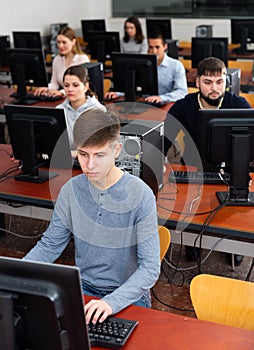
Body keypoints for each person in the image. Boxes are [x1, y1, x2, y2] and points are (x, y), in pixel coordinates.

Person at [23, 109, 161, 324]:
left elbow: (150, 269)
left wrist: (110, 302)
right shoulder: (71, 190)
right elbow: (50, 246)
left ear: (117, 150)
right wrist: (15, 275)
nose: (89, 165)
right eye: (83, 154)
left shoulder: (141, 195)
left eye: (99, 155)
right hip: (82, 288)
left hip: (127, 294)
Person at [164, 56, 251, 264]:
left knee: (234, 212)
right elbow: (164, 139)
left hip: (233, 171)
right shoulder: (183, 107)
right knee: (194, 204)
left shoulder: (238, 104)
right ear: (197, 83)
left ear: (225, 82)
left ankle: (233, 241)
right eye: (208, 82)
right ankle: (193, 241)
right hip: (194, 169)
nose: (214, 88)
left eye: (219, 82)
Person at [105, 32, 188, 103]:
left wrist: (161, 98)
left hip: (165, 105)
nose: (154, 51)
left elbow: (182, 92)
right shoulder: (143, 63)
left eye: (157, 47)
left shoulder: (176, 65)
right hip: (144, 103)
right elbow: (135, 86)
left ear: (165, 46)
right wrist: (118, 93)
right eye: (151, 47)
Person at [56, 64, 106, 151]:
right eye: (66, 85)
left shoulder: (98, 110)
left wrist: (69, 154)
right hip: (63, 160)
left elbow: (97, 148)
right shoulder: (59, 110)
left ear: (86, 87)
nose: (70, 89)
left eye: (75, 85)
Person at [34, 26, 90, 98]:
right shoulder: (57, 59)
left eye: (64, 42)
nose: (60, 45)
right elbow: (55, 83)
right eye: (58, 42)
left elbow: (81, 87)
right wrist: (47, 88)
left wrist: (62, 93)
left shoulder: (82, 59)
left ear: (73, 41)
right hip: (64, 100)